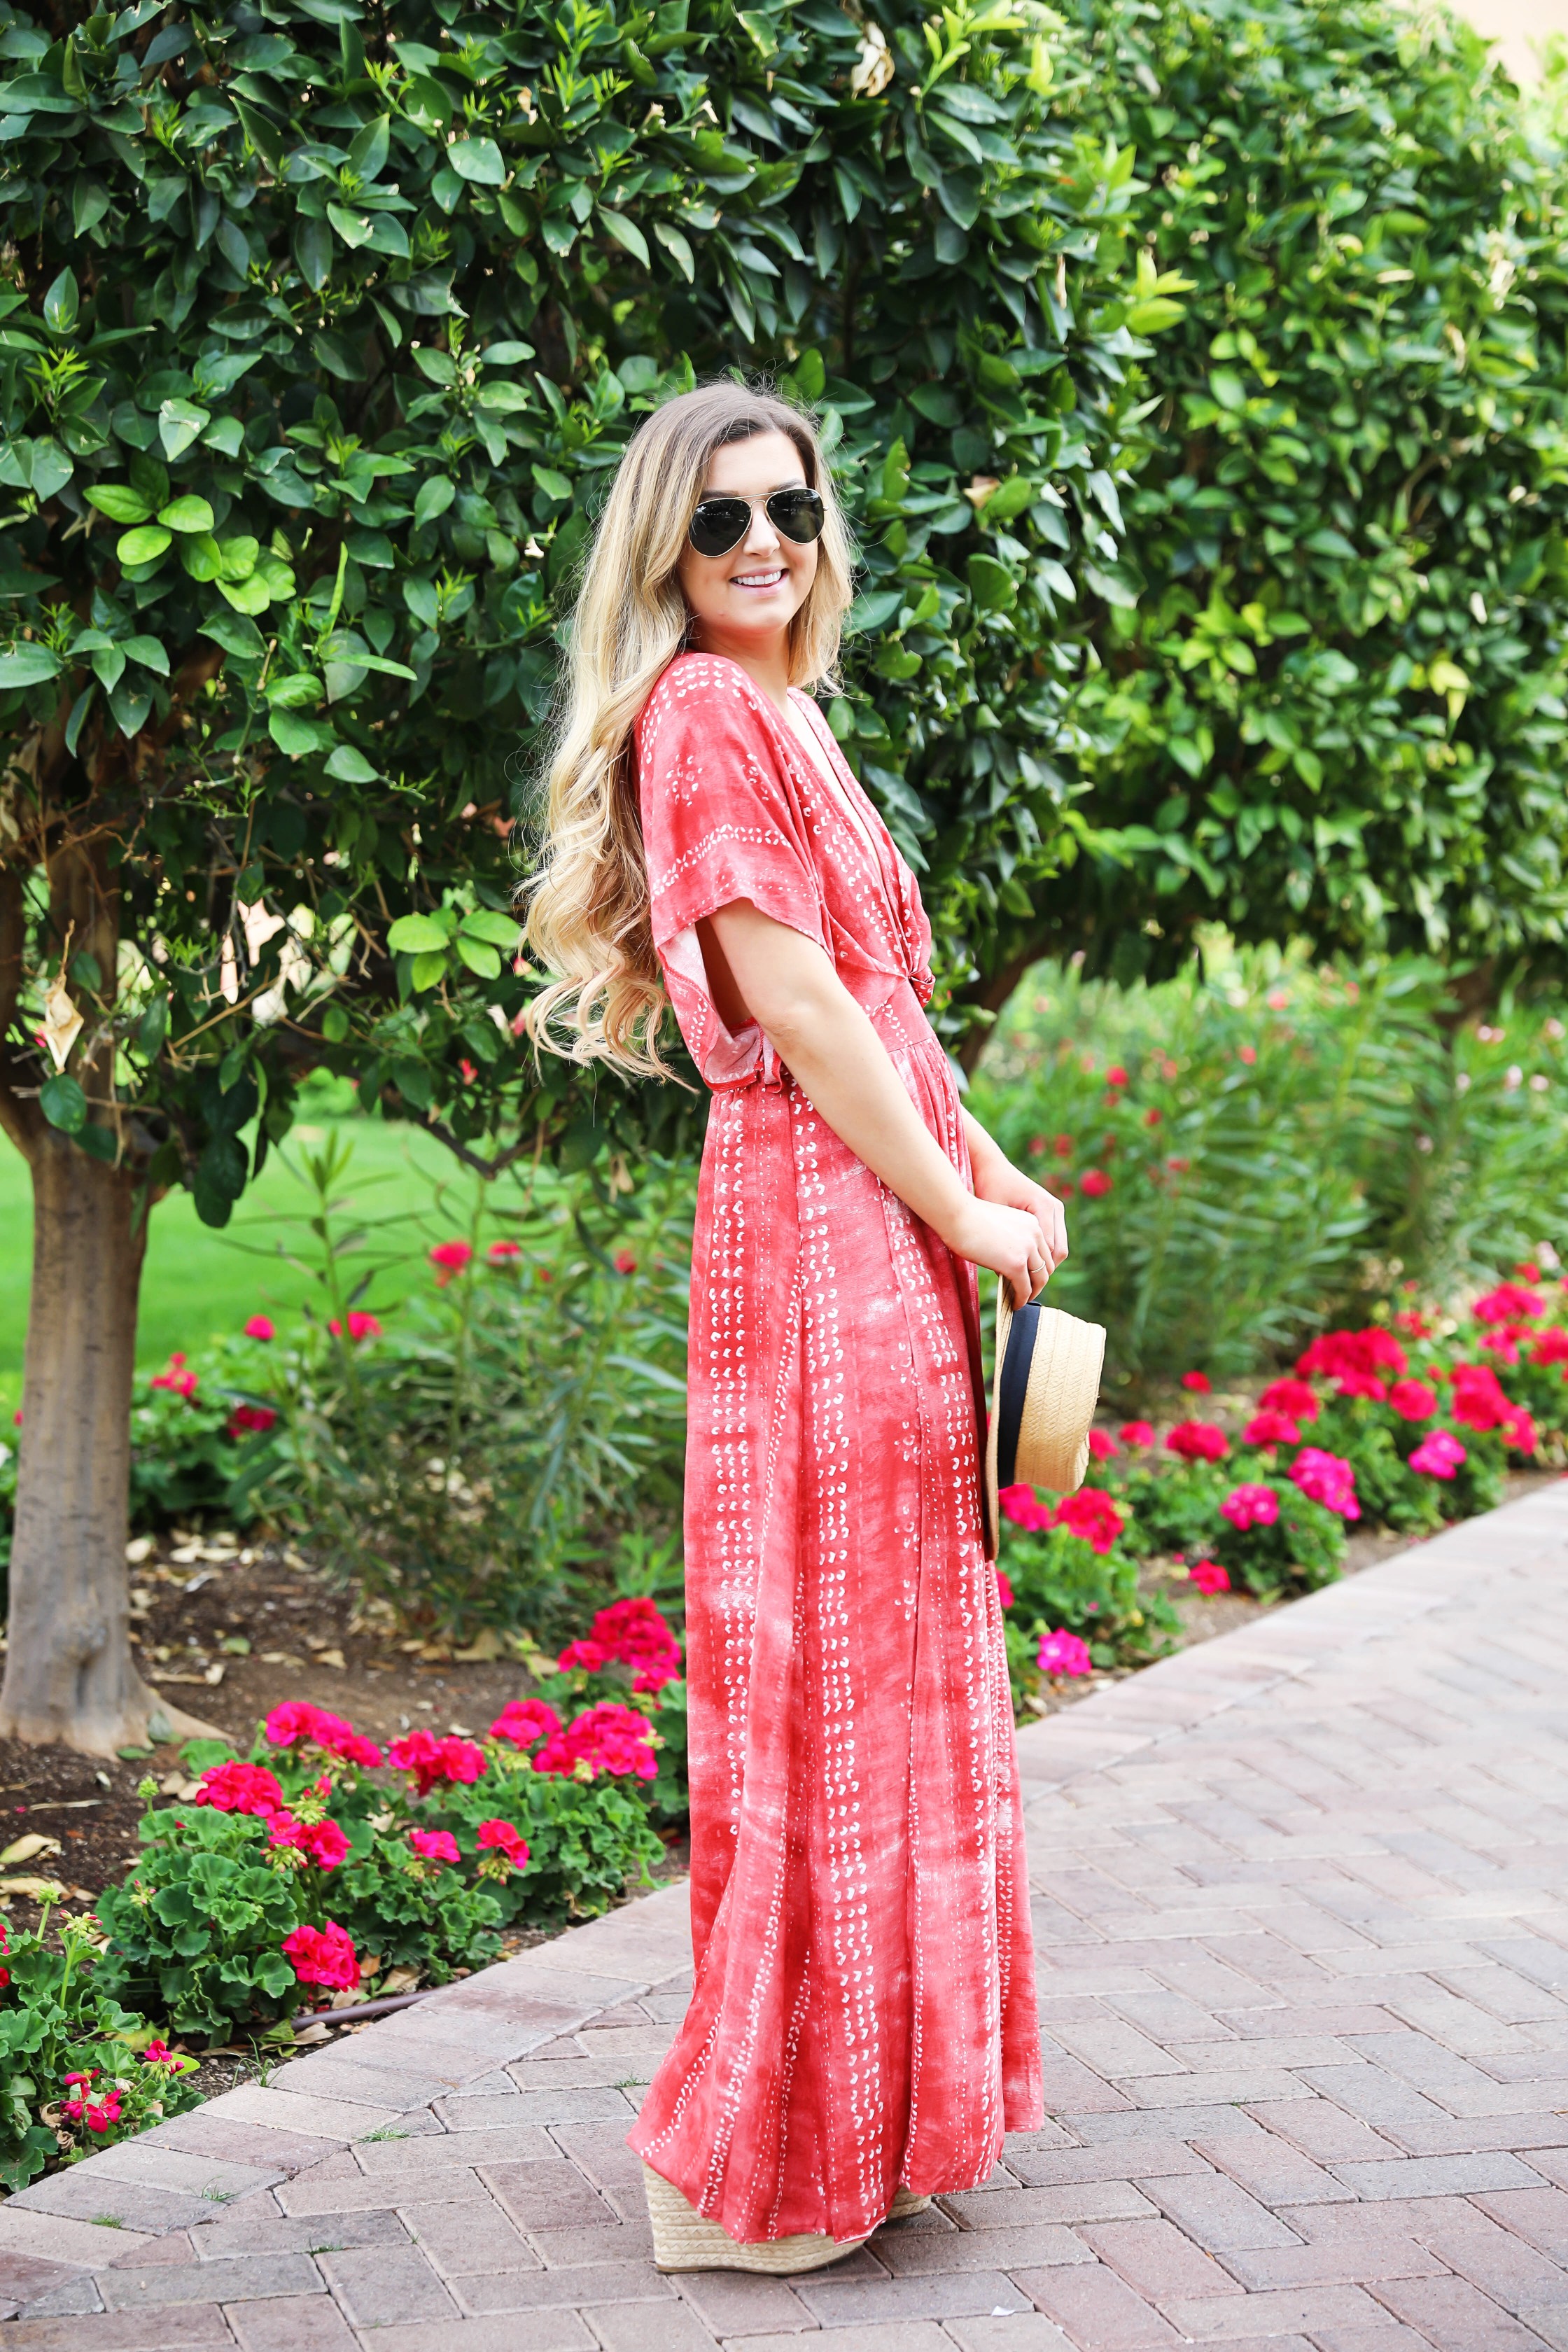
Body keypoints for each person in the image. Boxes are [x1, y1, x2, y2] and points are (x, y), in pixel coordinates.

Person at [524, 380, 1068, 2272]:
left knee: (895, 1668)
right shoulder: (697, 718)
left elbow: (886, 1008)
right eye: (726, 518)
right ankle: (749, 2170)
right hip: (821, 1241)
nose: (769, 541)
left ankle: (875, 2119)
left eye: (796, 510)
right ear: (667, 553)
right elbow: (799, 1014)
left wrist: (995, 1165)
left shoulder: (784, 712)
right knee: (828, 1684)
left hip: (881, 1216)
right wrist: (958, 1204)